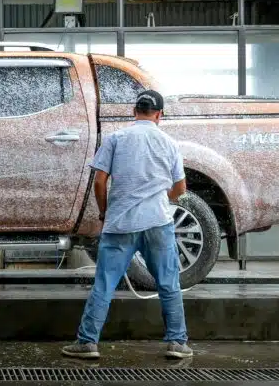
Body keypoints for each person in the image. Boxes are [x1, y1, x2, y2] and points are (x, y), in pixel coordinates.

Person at [61, 89, 193, 360]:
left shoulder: (116, 139)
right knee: (168, 283)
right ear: (159, 115)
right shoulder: (168, 142)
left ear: (134, 112)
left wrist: (104, 212)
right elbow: (180, 188)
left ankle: (88, 343)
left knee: (104, 285)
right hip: (158, 222)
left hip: (120, 224)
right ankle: (177, 343)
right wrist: (161, 197)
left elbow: (99, 181)